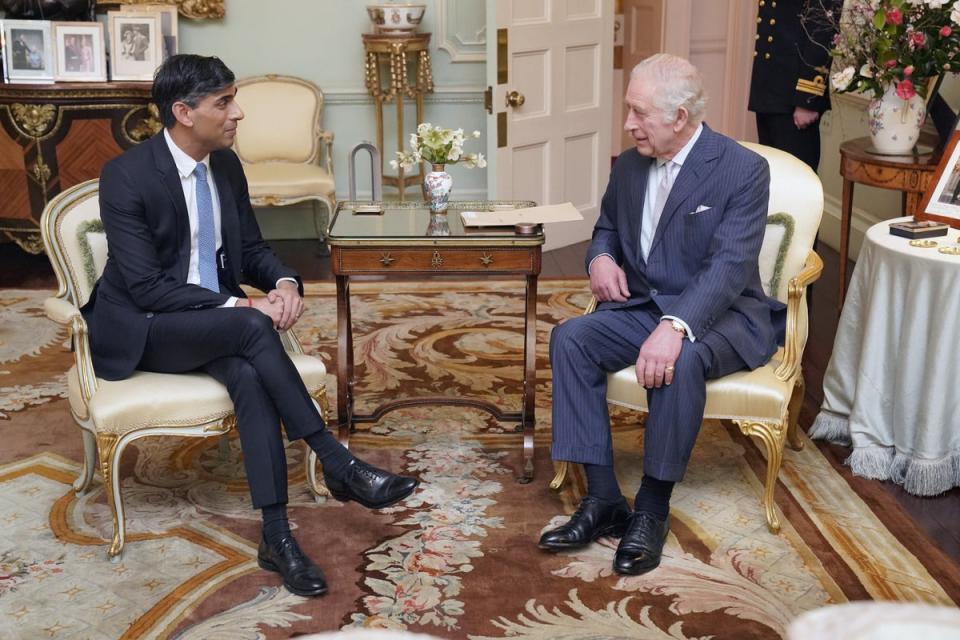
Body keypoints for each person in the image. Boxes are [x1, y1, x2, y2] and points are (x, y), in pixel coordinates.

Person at [85, 54, 419, 597]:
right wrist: (241, 308)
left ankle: (276, 536)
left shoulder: (227, 165)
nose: (238, 113)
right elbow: (145, 287)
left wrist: (285, 283)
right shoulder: (127, 175)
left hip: (210, 324)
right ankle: (336, 461)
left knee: (247, 372)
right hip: (146, 327)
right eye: (224, 103)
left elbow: (252, 251)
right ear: (184, 112)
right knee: (249, 328)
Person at [539, 54, 783, 576]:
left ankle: (651, 507)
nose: (627, 124)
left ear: (680, 116)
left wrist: (675, 327)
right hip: (645, 304)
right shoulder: (629, 164)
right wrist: (601, 257)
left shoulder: (741, 170)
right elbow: (606, 226)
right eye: (629, 110)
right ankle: (603, 498)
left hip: (724, 314)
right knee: (571, 339)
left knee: (682, 359)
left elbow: (729, 267)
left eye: (639, 113)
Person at [748, 0, 841, 171]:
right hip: (770, 90)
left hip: (795, 97)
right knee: (772, 179)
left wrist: (807, 99)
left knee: (796, 181)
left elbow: (822, 30)